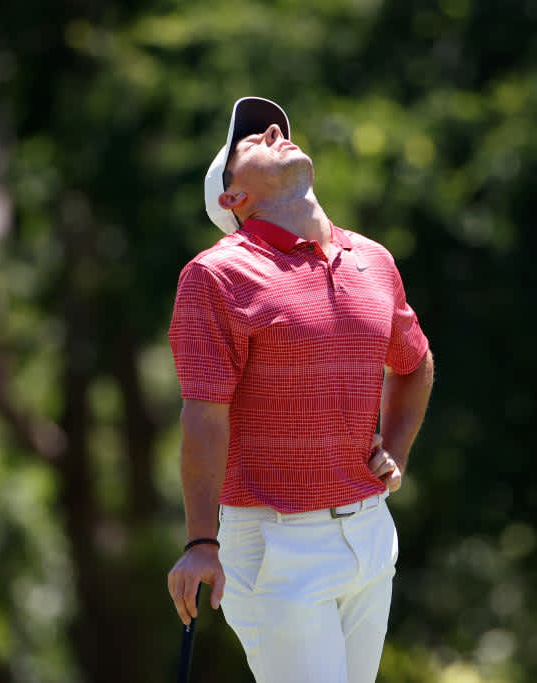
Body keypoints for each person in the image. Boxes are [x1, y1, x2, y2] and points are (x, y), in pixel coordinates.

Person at [165, 97, 434, 683]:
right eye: (252, 142)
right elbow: (203, 416)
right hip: (274, 546)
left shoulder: (372, 259)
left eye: (276, 129)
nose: (273, 131)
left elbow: (414, 364)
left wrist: (397, 450)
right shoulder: (216, 275)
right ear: (232, 199)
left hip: (369, 532)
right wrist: (200, 541)